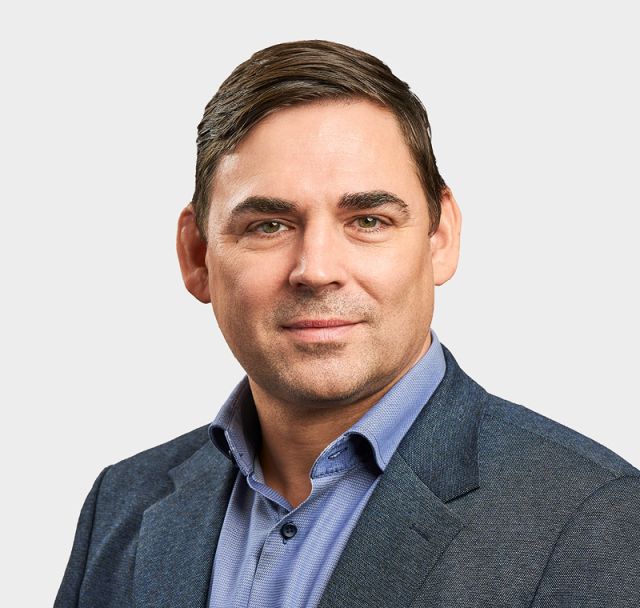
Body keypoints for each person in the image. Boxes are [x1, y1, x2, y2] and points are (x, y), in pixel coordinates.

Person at [55, 40, 640, 608]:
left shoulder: (596, 520)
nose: (316, 270)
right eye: (268, 226)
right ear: (196, 254)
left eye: (368, 220)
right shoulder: (122, 505)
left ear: (440, 238)